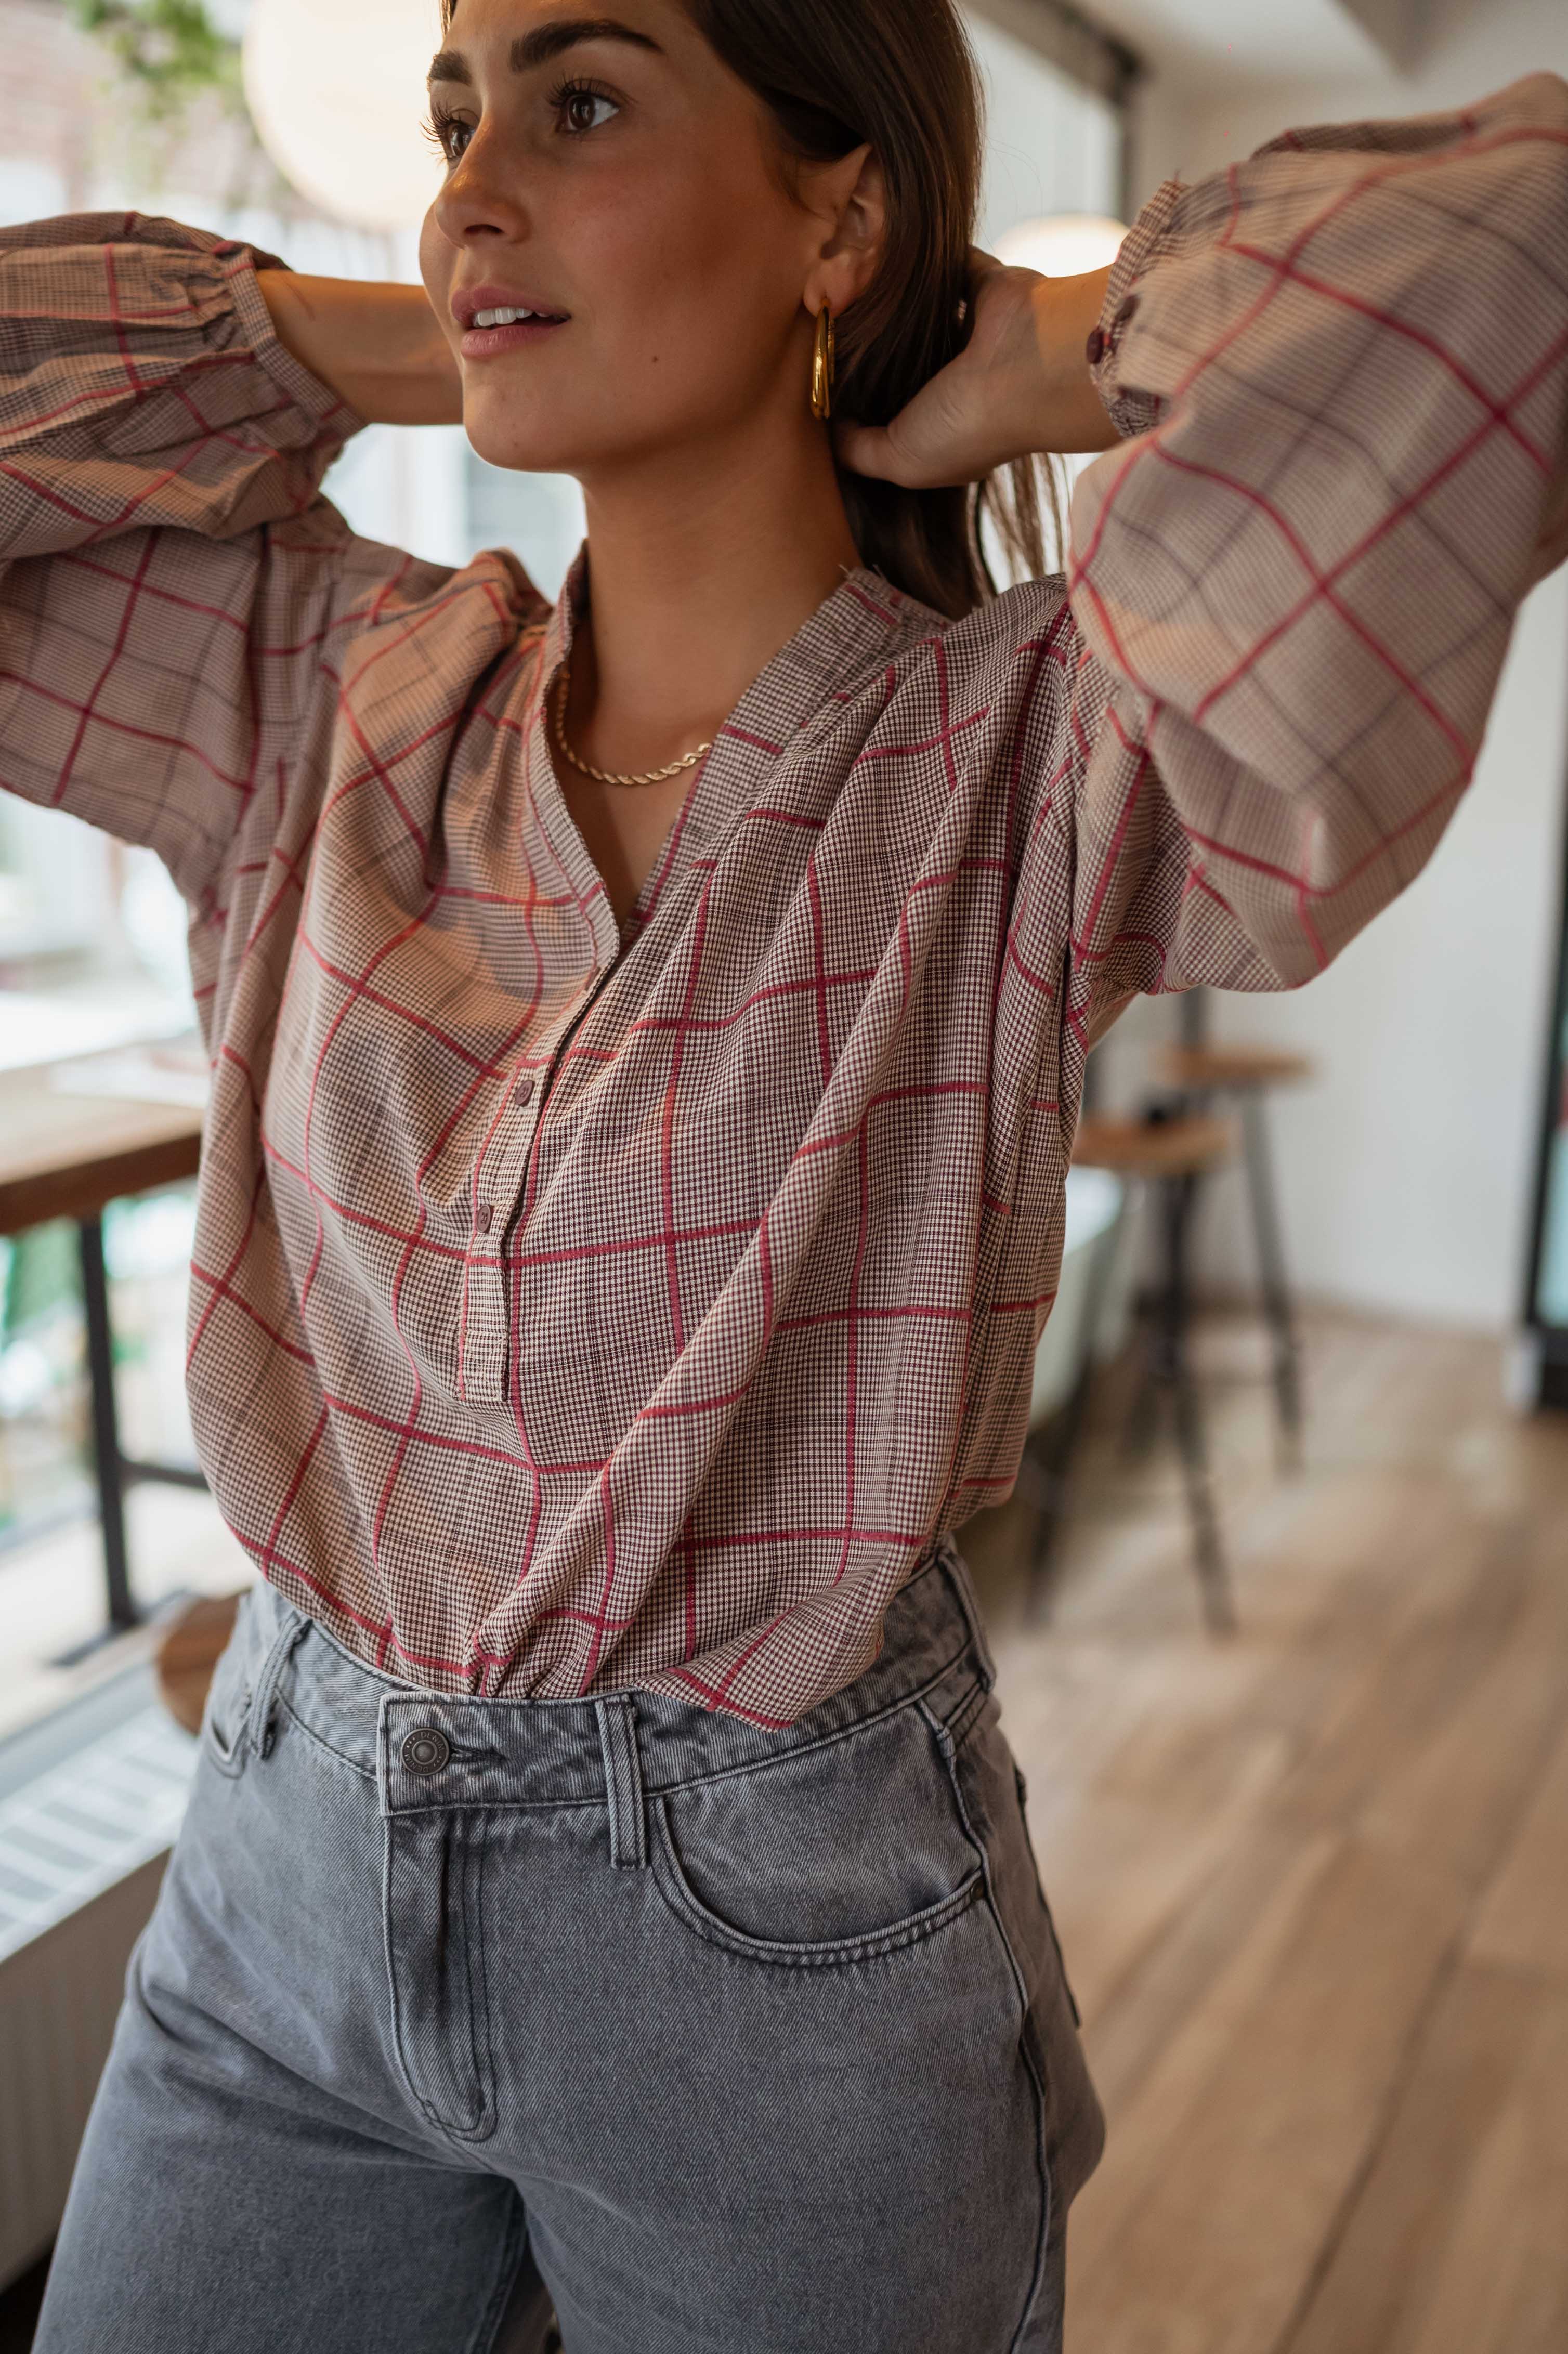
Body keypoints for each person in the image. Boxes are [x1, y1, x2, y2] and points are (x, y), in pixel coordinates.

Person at [7, 0, 1565, 2345]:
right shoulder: (325, 691)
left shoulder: (1032, 757)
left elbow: (1510, 264)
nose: (473, 186)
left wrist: (1035, 348)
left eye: (586, 99)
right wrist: (396, 341)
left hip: (777, 1946)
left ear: (836, 209)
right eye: (459, 118)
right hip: (278, 1875)